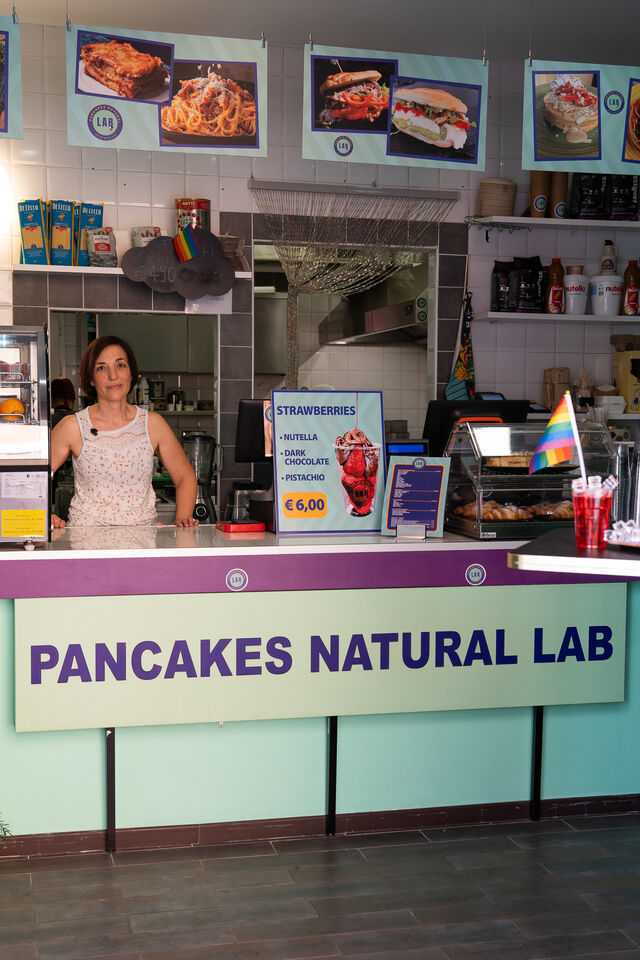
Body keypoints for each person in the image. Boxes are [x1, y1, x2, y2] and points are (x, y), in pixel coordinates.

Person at [51, 336, 198, 528]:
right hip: (85, 540)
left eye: (120, 365)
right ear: (91, 379)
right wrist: (45, 515)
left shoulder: (152, 424)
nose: (113, 375)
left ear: (131, 373)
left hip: (142, 541)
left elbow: (185, 477)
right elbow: (30, 478)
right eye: (101, 368)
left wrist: (182, 519)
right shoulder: (72, 426)